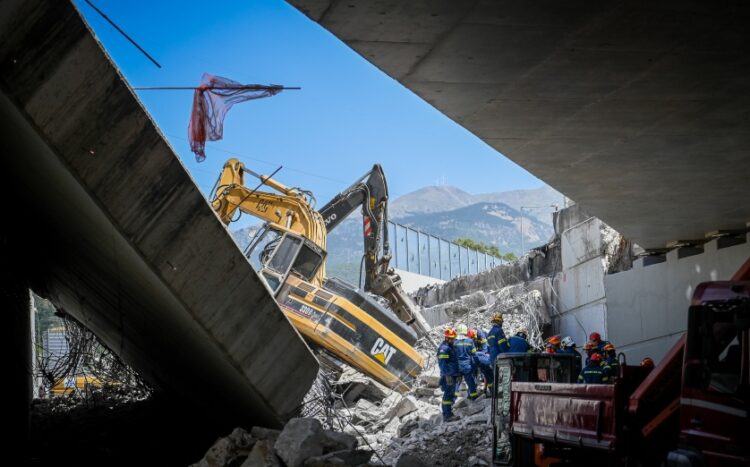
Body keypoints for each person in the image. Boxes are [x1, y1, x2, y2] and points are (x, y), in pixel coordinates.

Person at [437, 328, 460, 422]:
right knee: (448, 394)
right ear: (447, 338)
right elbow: (442, 364)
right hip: (448, 375)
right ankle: (447, 415)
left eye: (454, 338)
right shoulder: (444, 348)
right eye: (452, 338)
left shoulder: (450, 346)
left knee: (452, 393)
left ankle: (448, 411)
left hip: (452, 374)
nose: (453, 340)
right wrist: (447, 375)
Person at [454, 325, 480, 400]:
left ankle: (453, 398)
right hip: (467, 366)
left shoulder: (455, 343)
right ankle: (474, 397)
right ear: (466, 331)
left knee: (456, 383)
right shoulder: (470, 341)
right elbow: (474, 354)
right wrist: (477, 364)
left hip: (458, 367)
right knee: (471, 382)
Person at [469, 328, 494, 394]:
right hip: (479, 354)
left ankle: (489, 390)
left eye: (474, 338)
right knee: (478, 373)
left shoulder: (480, 334)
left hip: (485, 353)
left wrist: (479, 354)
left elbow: (484, 348)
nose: (473, 339)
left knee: (486, 371)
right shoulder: (472, 337)